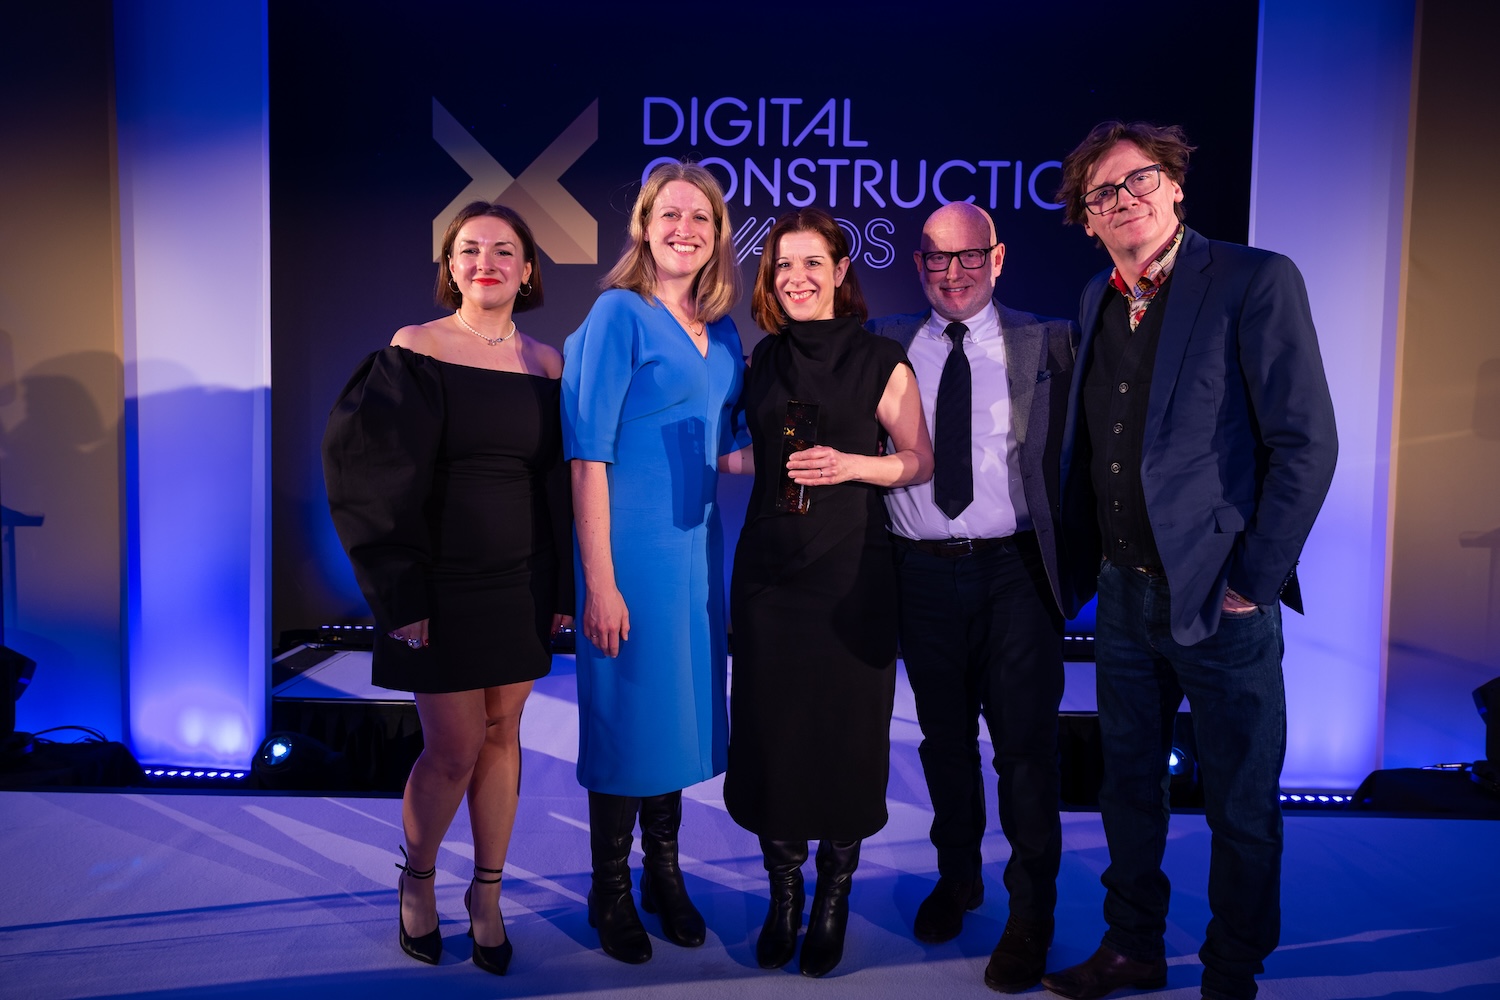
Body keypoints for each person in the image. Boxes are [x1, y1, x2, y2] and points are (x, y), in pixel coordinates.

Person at [1042, 122, 1338, 1000]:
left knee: (1241, 802)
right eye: (1101, 194)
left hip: (1221, 598)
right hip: (1122, 597)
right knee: (1129, 789)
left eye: (1138, 180)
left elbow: (1306, 444)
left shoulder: (1255, 278)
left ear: (1174, 184)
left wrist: (1252, 582)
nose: (1123, 200)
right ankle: (1132, 946)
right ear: (1086, 220)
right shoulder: (1098, 295)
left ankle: (1232, 968)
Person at [322, 201, 572, 975]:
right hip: (440, 584)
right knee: (454, 748)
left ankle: (486, 895)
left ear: (527, 270)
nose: (486, 262)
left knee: (503, 735)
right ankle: (419, 879)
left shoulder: (549, 364)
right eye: (470, 249)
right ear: (450, 267)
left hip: (523, 581)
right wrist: (400, 593)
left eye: (504, 250)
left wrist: (564, 586)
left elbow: (560, 488)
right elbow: (371, 477)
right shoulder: (414, 349)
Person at [868, 201, 1078, 992]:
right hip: (918, 571)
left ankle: (1031, 916)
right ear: (917, 264)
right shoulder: (883, 343)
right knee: (944, 742)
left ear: (999, 257)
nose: (952, 274)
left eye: (968, 257)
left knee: (1025, 750)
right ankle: (958, 876)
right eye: (936, 258)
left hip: (1015, 572)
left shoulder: (1052, 341)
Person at [723, 207, 933, 978]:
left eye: (813, 263)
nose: (797, 278)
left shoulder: (881, 359)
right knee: (772, 735)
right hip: (769, 577)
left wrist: (852, 466)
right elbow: (767, 457)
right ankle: (783, 891)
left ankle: (833, 894)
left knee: (845, 736)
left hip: (852, 574)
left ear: (842, 271)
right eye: (783, 265)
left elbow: (918, 459)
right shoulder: (763, 360)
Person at [560, 161, 748, 965]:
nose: (685, 230)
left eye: (701, 218)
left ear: (719, 235)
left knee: (671, 716)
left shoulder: (725, 332)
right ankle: (609, 887)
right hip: (627, 553)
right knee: (626, 714)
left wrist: (821, 451)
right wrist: (600, 582)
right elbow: (588, 455)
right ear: (642, 226)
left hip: (696, 553)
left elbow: (729, 448)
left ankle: (663, 873)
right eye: (670, 214)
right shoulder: (618, 314)